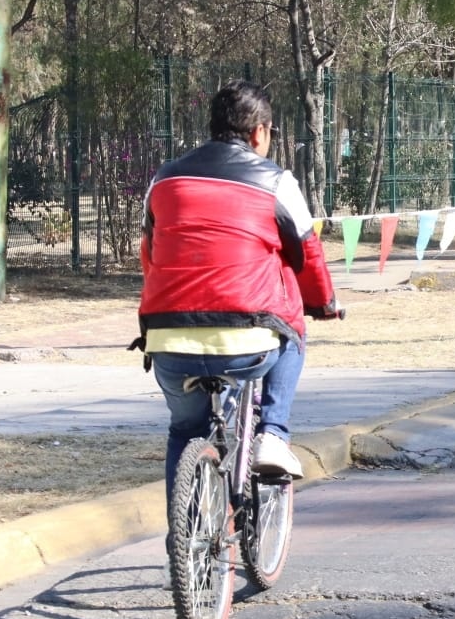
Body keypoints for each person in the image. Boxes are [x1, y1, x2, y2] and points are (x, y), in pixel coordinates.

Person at [137, 79, 340, 509]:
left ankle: (186, 543)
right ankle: (273, 435)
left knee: (183, 431)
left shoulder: (164, 179)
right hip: (246, 341)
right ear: (259, 133)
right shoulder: (276, 182)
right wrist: (323, 303)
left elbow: (150, 255)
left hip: (168, 338)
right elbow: (307, 253)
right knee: (292, 334)